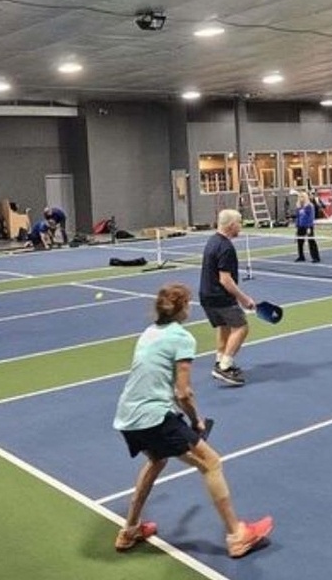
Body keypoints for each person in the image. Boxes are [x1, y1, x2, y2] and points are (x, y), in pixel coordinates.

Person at [112, 282, 273, 558]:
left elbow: (162, 384)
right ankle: (237, 536)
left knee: (156, 460)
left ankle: (129, 530)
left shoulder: (149, 333)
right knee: (211, 463)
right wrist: (195, 420)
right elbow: (183, 392)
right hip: (153, 417)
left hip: (127, 416)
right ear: (183, 308)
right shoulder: (182, 338)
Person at [199, 209, 257, 386]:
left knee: (223, 326)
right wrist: (244, 299)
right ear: (231, 225)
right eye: (239, 222)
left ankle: (219, 360)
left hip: (206, 295)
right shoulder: (226, 247)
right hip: (220, 296)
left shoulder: (212, 241)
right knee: (241, 327)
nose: (241, 226)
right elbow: (225, 279)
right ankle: (225, 367)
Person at [294, 192, 320, 263]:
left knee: (311, 241)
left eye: (302, 197)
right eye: (300, 197)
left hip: (308, 226)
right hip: (300, 226)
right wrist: (297, 226)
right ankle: (301, 256)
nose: (301, 198)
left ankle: (316, 257)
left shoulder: (309, 206)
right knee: (300, 242)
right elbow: (298, 217)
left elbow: (311, 217)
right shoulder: (299, 207)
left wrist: (309, 227)